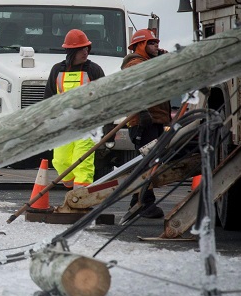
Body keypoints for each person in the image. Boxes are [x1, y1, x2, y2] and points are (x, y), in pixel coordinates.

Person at [44, 29, 106, 189]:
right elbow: (49, 98)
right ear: (71, 51)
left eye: (87, 49)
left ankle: (81, 198)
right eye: (81, 49)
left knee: (83, 162)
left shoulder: (94, 70)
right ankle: (71, 189)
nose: (85, 52)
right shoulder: (57, 70)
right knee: (60, 160)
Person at [121, 29, 171, 219]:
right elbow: (133, 91)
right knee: (147, 163)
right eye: (151, 43)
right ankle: (146, 202)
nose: (156, 45)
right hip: (144, 122)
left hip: (155, 120)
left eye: (157, 42)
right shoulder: (135, 64)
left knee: (149, 162)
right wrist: (142, 112)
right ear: (140, 45)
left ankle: (137, 202)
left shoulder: (147, 62)